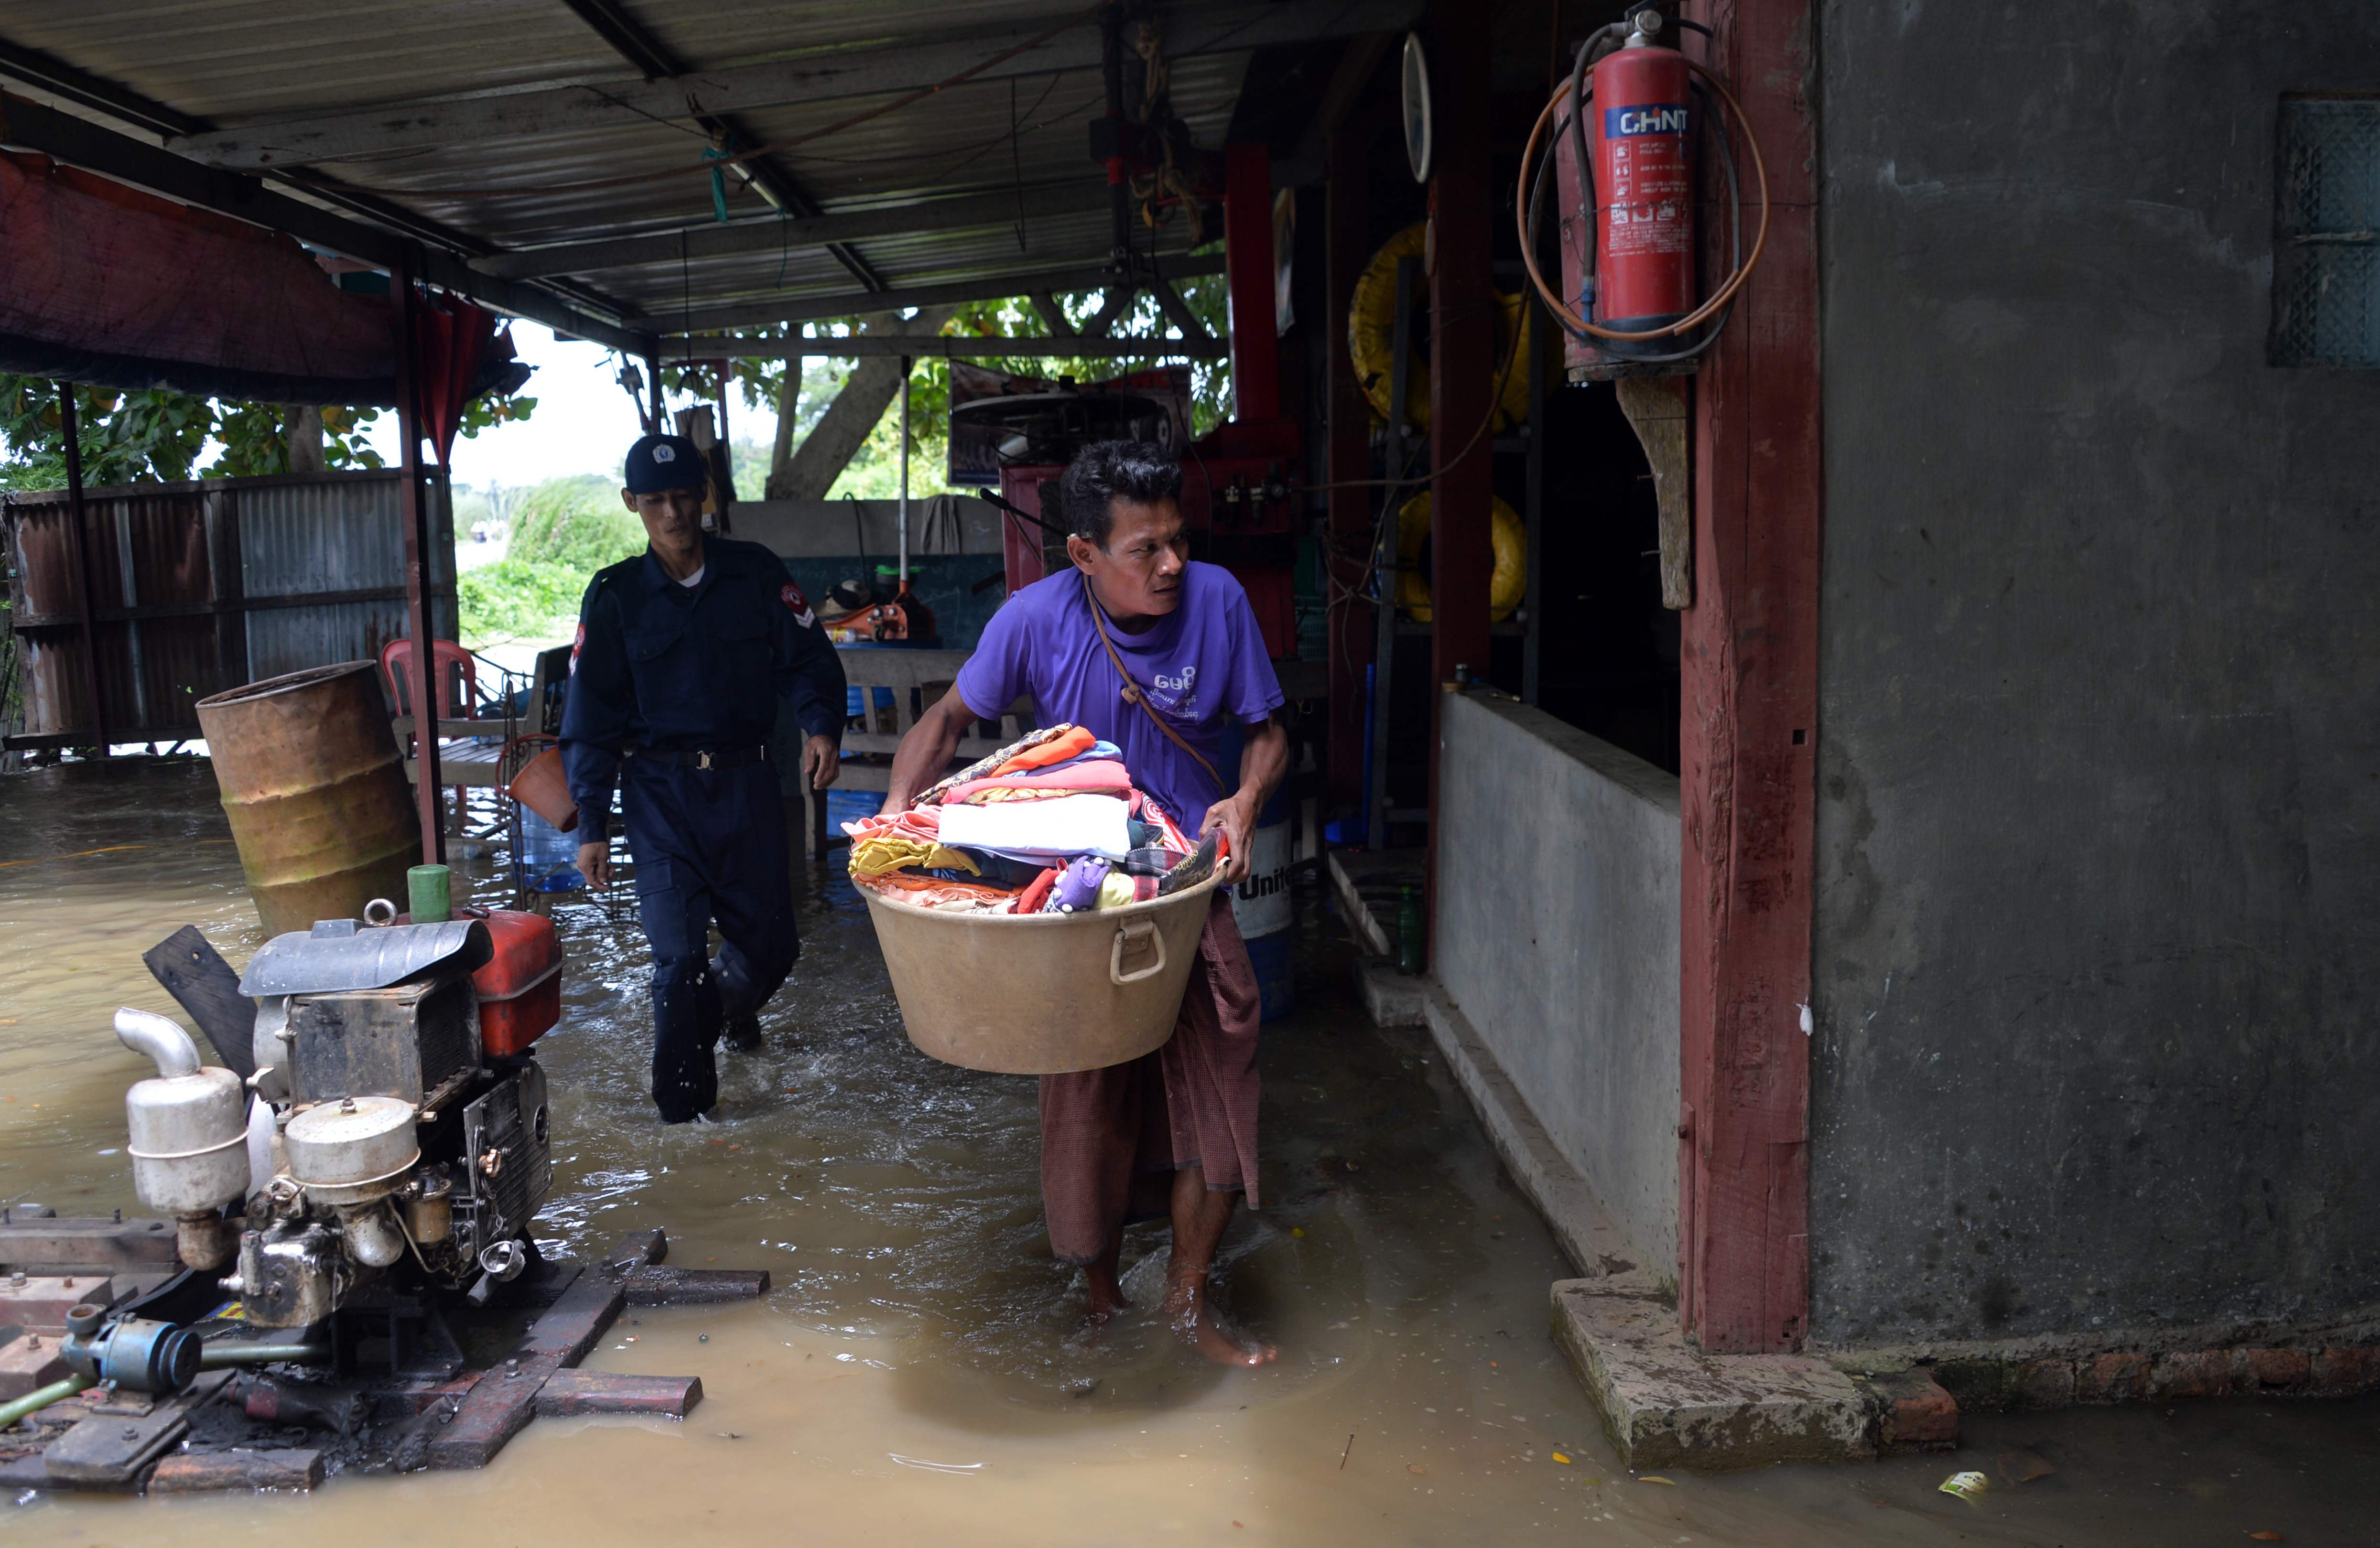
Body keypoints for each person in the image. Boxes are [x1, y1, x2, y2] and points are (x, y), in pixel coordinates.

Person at [882, 440, 1288, 1365]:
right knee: (1087, 1108)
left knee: (1226, 1083)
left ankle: (1186, 1303)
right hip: (1078, 903)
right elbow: (947, 721)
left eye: (1177, 541)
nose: (1172, 565)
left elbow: (1266, 734)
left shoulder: (1218, 601)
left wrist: (1246, 798)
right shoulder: (1033, 619)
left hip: (1187, 888)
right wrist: (896, 831)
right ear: (1083, 556)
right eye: (1144, 549)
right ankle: (1102, 1301)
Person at [560, 433, 847, 1124]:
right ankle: (683, 1127)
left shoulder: (753, 574)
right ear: (633, 505)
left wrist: (821, 727)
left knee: (774, 948)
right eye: (654, 500)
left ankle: (720, 1012)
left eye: (684, 494)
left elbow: (809, 661)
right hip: (660, 799)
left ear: (704, 496)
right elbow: (590, 717)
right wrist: (593, 825)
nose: (672, 512)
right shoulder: (616, 597)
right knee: (677, 961)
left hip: (747, 790)